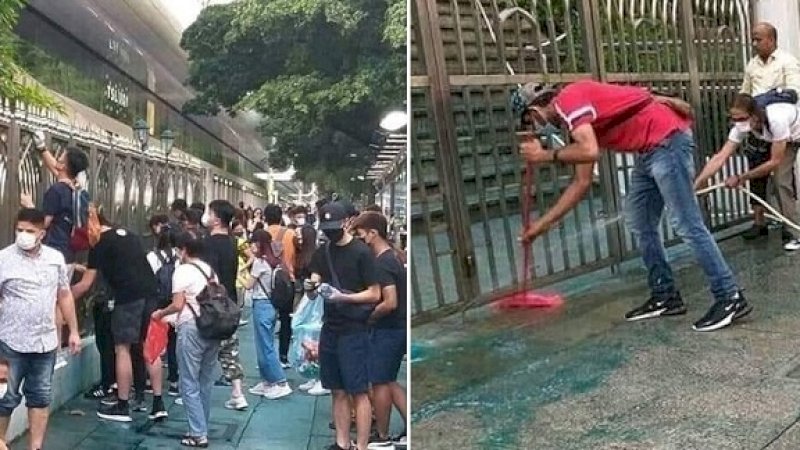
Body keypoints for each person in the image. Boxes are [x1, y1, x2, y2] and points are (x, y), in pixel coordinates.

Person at [511, 79, 749, 332]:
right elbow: (580, 183)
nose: (533, 128)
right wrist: (539, 227)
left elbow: (589, 151)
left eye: (529, 121)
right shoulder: (576, 123)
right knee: (640, 222)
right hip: (649, 150)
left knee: (688, 224)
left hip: (668, 142)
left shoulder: (568, 100)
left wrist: (543, 156)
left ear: (535, 109)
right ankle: (665, 294)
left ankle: (729, 297)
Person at [71, 210, 167, 422]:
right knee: (149, 347)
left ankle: (122, 406)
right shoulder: (130, 235)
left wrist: (63, 300)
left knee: (122, 348)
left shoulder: (100, 244)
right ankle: (158, 404)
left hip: (127, 297)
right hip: (151, 294)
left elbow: (86, 284)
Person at [0, 208, 81, 450]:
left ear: (42, 234)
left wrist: (74, 331)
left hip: (44, 343)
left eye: (29, 231)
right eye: (20, 230)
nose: (23, 235)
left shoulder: (55, 259)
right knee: (5, 398)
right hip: (9, 343)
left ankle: (35, 446)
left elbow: (64, 295)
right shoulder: (4, 259)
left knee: (40, 398)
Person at [308, 202, 382, 450]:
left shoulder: (361, 252)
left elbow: (374, 294)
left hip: (354, 329)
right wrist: (312, 287)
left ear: (346, 223)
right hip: (331, 327)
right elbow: (315, 279)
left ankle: (361, 445)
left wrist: (344, 298)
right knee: (337, 389)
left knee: (358, 391)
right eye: (326, 227)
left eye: (334, 226)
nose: (330, 232)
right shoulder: (323, 252)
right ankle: (342, 442)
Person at [694, 93, 800, 252]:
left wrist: (740, 178)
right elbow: (721, 156)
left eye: (741, 118)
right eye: (734, 119)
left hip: (791, 133)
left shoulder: (777, 118)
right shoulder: (742, 127)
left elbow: (774, 161)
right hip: (781, 138)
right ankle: (791, 227)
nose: (738, 123)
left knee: (781, 180)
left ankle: (794, 232)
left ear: (754, 115)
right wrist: (699, 181)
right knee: (770, 175)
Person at [151, 233, 219, 448]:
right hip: (212, 329)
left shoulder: (182, 271)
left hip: (191, 329)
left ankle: (198, 433)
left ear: (184, 250)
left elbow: (178, 304)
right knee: (205, 381)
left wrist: (161, 313)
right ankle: (201, 426)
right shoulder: (209, 271)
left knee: (188, 381)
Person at [738, 22, 800, 243]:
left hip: (782, 126)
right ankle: (759, 222)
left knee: (782, 178)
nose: (754, 43)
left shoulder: (787, 62)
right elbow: (745, 94)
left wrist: (765, 100)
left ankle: (790, 225)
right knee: (757, 174)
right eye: (753, 39)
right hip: (758, 127)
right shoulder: (752, 65)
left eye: (758, 39)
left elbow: (793, 93)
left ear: (772, 40)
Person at [351, 212, 408, 448]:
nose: (359, 239)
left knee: (380, 382)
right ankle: (407, 427)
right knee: (389, 381)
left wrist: (369, 316)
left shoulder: (382, 263)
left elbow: (390, 301)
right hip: (395, 328)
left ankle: (382, 435)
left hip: (387, 329)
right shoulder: (392, 257)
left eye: (360, 234)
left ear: (373, 233)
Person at [201, 200, 248, 411]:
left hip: (211, 305)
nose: (206, 217)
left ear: (216, 219)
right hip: (229, 302)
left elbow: (209, 275)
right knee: (230, 349)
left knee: (202, 351)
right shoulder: (231, 241)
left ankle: (196, 394)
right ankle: (238, 393)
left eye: (208, 213)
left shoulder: (208, 243)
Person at [244, 230, 293, 399]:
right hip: (271, 305)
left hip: (261, 304)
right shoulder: (274, 261)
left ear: (259, 244)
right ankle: (267, 381)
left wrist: (241, 274)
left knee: (265, 345)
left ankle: (280, 381)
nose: (251, 246)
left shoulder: (259, 263)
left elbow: (249, 285)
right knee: (266, 343)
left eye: (253, 243)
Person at [146, 218, 181, 398]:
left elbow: (146, 279)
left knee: (154, 344)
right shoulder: (179, 257)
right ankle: (175, 381)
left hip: (156, 303)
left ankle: (151, 381)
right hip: (174, 304)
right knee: (174, 343)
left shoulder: (153, 257)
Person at [264, 204, 296, 367]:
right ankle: (283, 356)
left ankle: (267, 355)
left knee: (266, 320)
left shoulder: (262, 234)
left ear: (265, 217)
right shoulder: (291, 234)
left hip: (267, 281)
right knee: (286, 319)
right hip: (287, 280)